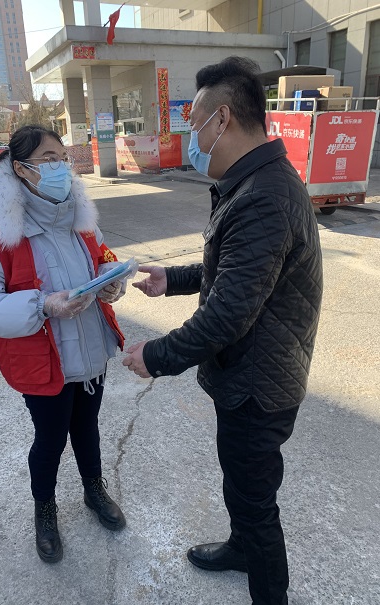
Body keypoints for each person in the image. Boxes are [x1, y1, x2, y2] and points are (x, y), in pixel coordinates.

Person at [123, 57, 323, 605]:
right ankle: (240, 548)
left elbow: (229, 312)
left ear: (223, 119)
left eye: (195, 125)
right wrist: (175, 279)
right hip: (252, 373)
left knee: (256, 502)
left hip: (259, 385)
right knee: (241, 483)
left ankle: (268, 591)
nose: (194, 139)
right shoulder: (257, 181)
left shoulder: (262, 197)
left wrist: (157, 355)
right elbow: (238, 271)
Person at [0, 125, 127, 564]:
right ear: (21, 169)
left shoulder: (81, 221)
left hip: (90, 352)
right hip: (44, 363)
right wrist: (42, 305)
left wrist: (111, 283)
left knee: (87, 428)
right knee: (50, 440)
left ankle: (93, 490)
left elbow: (104, 259)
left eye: (62, 159)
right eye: (48, 160)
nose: (60, 168)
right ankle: (45, 512)